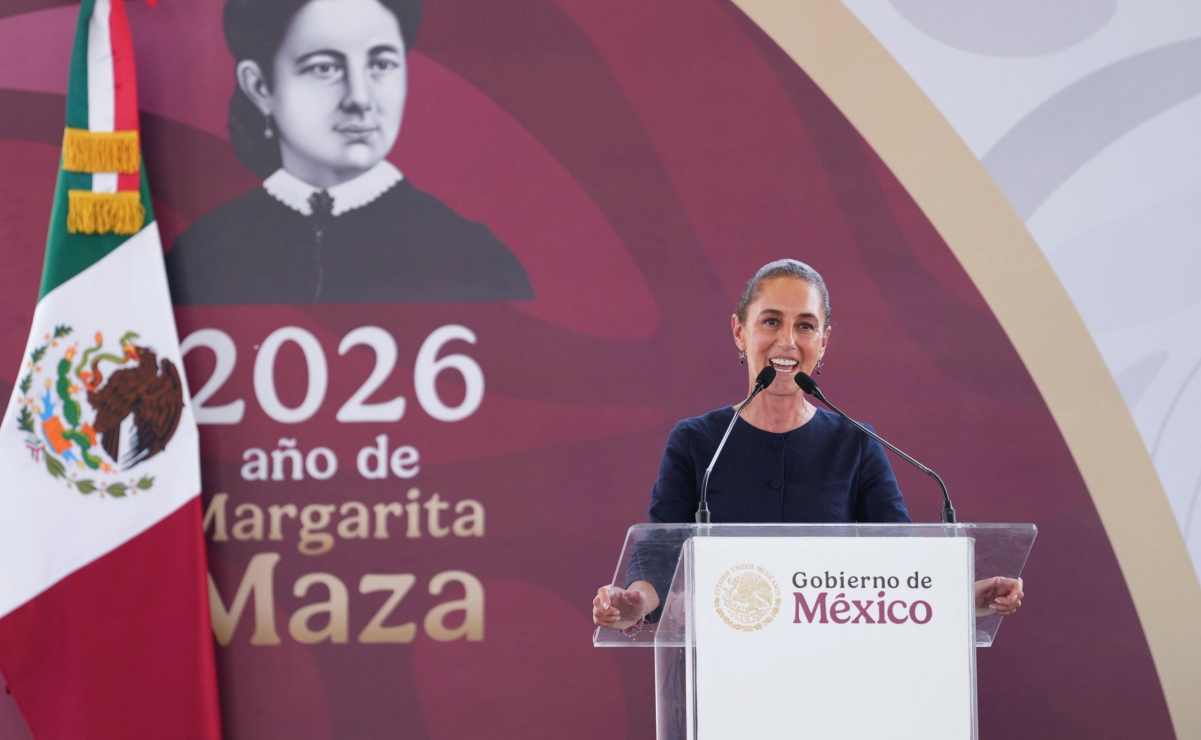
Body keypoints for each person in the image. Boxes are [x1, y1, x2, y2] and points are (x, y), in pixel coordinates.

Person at [592, 259, 1024, 629]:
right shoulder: (698, 443)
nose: (787, 341)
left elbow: (900, 570)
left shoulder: (855, 445)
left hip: (833, 671)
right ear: (739, 332)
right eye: (771, 321)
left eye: (805, 326)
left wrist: (966, 598)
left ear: (824, 341)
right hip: (720, 672)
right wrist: (636, 601)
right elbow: (660, 552)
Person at [166, 0, 532, 305]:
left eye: (381, 64)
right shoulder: (204, 254)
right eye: (324, 68)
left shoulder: (474, 259)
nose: (359, 98)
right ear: (259, 86)